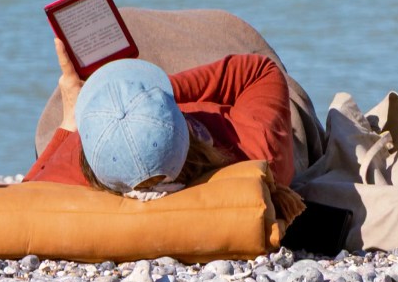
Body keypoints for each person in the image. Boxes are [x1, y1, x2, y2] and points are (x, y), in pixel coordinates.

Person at [24, 40, 295, 194]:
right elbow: (259, 70)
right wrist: (154, 92)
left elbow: (25, 197)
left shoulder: (72, 170)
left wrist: (70, 120)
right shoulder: (258, 152)